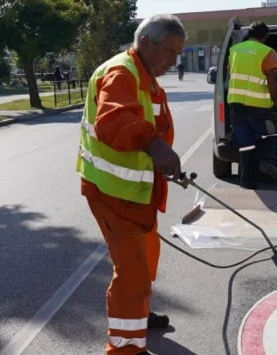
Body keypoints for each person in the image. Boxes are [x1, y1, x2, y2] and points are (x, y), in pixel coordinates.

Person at [75, 14, 187, 355]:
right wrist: (155, 147)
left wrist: (164, 160)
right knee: (133, 274)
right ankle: (124, 348)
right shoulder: (121, 73)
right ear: (147, 42)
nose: (174, 61)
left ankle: (140, 312)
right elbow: (114, 120)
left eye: (178, 54)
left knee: (147, 255)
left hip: (135, 191)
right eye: (169, 52)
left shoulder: (146, 76)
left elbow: (152, 124)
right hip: (112, 193)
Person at [227, 21, 277, 190]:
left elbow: (231, 74)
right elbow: (271, 81)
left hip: (236, 105)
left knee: (246, 145)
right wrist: (276, 100)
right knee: (271, 136)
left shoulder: (234, 50)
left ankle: (247, 181)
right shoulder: (267, 52)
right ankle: (261, 162)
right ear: (265, 36)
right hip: (258, 107)